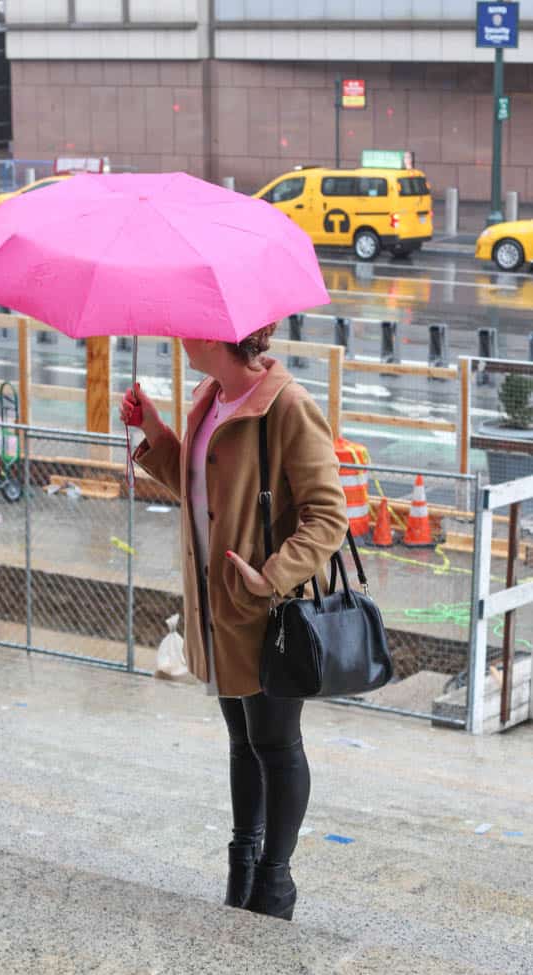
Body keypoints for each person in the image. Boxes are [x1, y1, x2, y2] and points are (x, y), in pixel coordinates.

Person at [120, 325, 348, 921]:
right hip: (215, 611)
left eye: (189, 329)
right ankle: (242, 865)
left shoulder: (289, 406)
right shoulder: (208, 398)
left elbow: (329, 516)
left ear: (219, 337)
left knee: (275, 744)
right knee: (242, 743)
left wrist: (270, 575)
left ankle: (275, 881)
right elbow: (198, 490)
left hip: (266, 613)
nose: (178, 337)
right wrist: (155, 431)